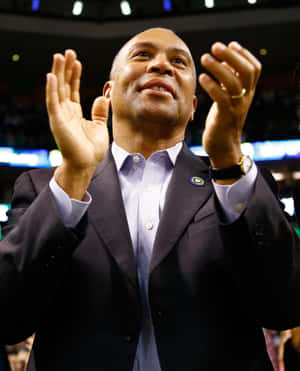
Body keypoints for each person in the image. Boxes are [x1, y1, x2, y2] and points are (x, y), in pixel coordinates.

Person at [0, 27, 299, 371]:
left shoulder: (237, 180)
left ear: (192, 108)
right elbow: (8, 317)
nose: (162, 65)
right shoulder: (44, 187)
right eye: (143, 55)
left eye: (179, 61)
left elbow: (285, 307)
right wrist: (73, 177)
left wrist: (229, 158)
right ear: (108, 93)